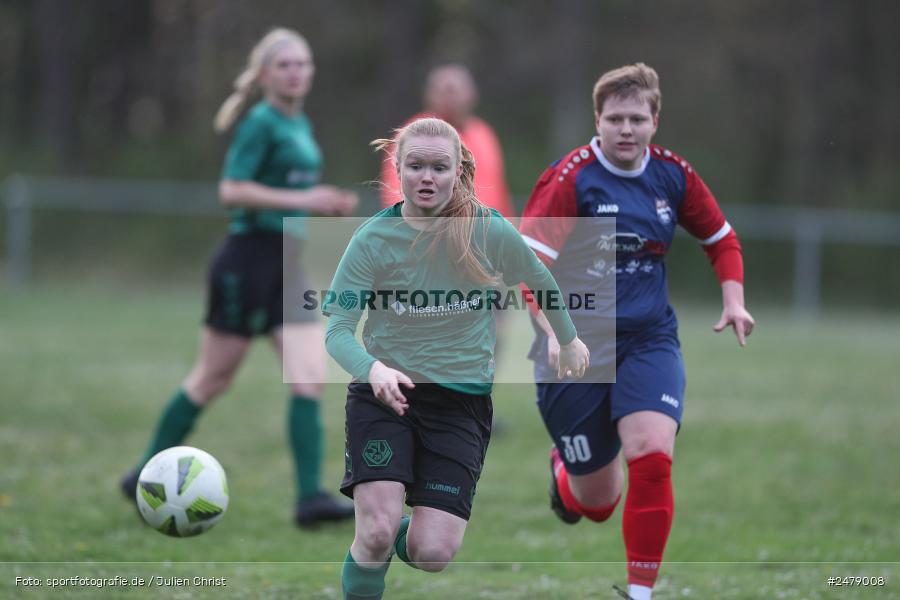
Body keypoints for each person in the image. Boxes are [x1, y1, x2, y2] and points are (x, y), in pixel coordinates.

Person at [324, 117, 590, 599]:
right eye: (416, 166)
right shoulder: (371, 239)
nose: (427, 177)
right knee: (378, 531)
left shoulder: (487, 231)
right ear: (397, 170)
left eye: (439, 167)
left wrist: (566, 338)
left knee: (433, 553)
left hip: (459, 404)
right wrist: (373, 369)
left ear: (459, 170)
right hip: (386, 396)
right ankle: (372, 544)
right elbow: (338, 332)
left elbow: (540, 281)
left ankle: (382, 543)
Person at [519, 63, 755, 600]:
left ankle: (640, 593)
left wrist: (734, 300)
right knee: (598, 503)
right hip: (574, 343)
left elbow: (721, 239)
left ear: (655, 121)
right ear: (597, 121)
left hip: (649, 339)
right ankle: (566, 473)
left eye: (637, 118)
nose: (626, 129)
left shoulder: (674, 176)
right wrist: (555, 333)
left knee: (652, 453)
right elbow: (529, 268)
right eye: (615, 118)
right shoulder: (572, 178)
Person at [119, 28, 357, 528]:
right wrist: (303, 201)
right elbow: (231, 190)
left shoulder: (299, 122)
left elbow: (288, 190)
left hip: (288, 261)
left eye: (303, 63)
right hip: (246, 261)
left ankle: (310, 499)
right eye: (285, 65)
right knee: (213, 377)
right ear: (265, 74)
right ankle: (146, 472)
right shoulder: (261, 122)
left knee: (309, 375)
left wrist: (323, 203)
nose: (296, 72)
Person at [379, 64, 515, 218]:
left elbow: (499, 191)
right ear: (429, 95)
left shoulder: (483, 133)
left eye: (456, 90)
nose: (452, 98)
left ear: (472, 94)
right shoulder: (414, 134)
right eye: (445, 91)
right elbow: (396, 194)